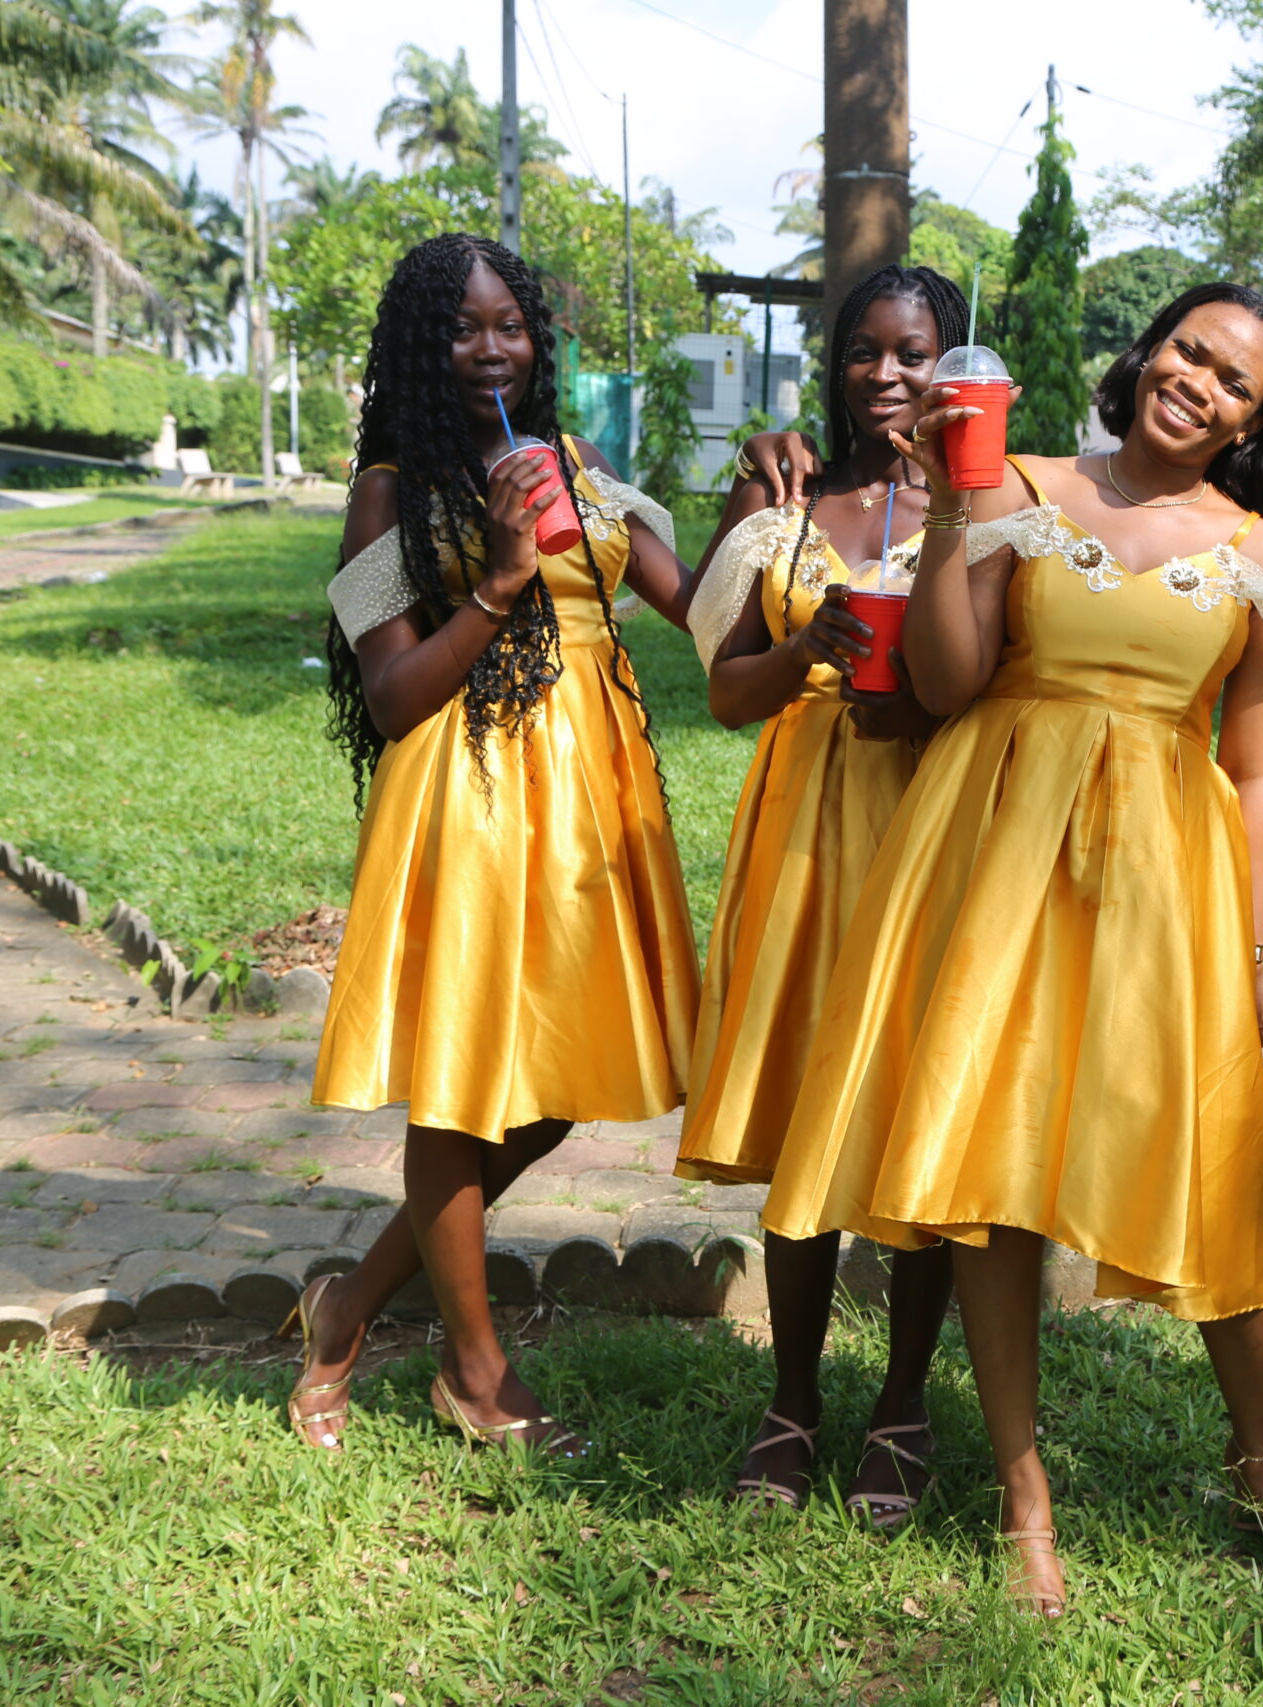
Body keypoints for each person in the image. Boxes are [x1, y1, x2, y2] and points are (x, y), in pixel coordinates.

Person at [761, 283, 1263, 1615]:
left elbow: (1257, 769)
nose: (1199, 383)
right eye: (1189, 350)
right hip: (997, 848)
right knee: (994, 1164)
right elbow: (947, 683)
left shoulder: (1259, 550)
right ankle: (1024, 1495)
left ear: (1254, 423)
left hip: (1162, 874)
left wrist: (1246, 946)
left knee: (1210, 1162)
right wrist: (954, 509)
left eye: (1236, 382)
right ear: (1147, 352)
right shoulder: (1017, 482)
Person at [287, 233, 701, 1456]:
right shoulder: (388, 492)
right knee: (464, 1086)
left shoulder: (581, 463)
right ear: (423, 346)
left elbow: (698, 606)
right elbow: (390, 697)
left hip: (592, 801)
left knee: (557, 1086)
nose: (490, 348)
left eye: (510, 326)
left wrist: (767, 508)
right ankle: (473, 1372)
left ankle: (348, 1306)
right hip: (466, 795)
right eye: (461, 328)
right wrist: (500, 582)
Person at [674, 265, 970, 1525]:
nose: (886, 373)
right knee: (803, 1103)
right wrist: (805, 648)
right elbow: (721, 690)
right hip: (801, 833)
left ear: (953, 365)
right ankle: (792, 1401)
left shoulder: (993, 499)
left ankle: (903, 1403)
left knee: (915, 1105)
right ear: (835, 362)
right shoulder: (778, 493)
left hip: (934, 830)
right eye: (863, 350)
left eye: (913, 352)